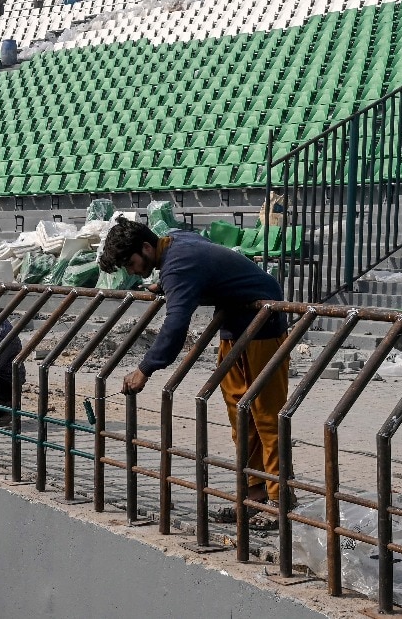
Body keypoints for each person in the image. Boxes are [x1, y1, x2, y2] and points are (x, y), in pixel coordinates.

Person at [100, 216, 289, 530]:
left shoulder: (178, 265)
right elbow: (202, 260)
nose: (132, 271)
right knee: (240, 415)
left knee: (267, 417)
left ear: (146, 247)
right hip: (235, 325)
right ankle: (255, 495)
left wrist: (145, 369)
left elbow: (175, 326)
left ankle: (279, 502)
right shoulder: (174, 243)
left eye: (131, 263)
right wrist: (164, 284)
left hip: (263, 325)